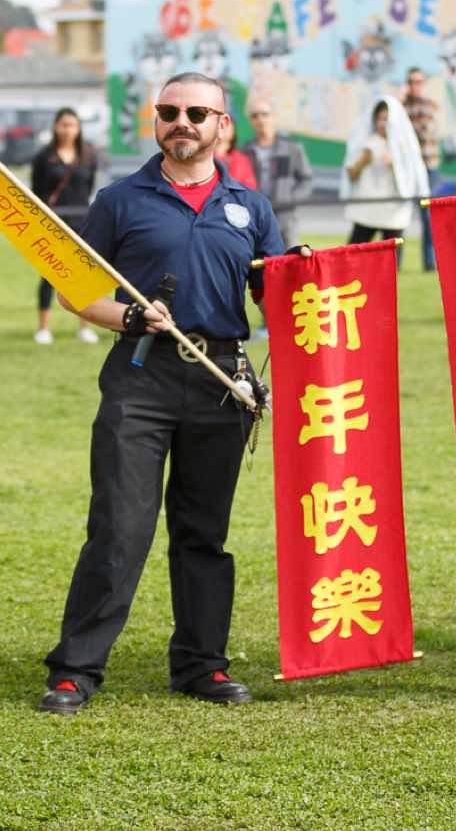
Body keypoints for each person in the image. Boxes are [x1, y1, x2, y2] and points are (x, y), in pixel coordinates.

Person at [38, 71, 285, 714]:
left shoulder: (251, 206)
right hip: (140, 377)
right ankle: (75, 670)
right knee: (119, 528)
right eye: (170, 111)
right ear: (156, 120)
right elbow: (73, 290)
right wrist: (127, 315)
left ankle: (202, 666)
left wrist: (307, 276)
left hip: (221, 379)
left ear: (222, 125)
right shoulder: (119, 200)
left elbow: (278, 296)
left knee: (203, 534)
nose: (182, 123)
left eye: (197, 113)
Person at [30, 107, 100, 345]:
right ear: (55, 126)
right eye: (64, 124)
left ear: (79, 129)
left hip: (82, 221)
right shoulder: (44, 157)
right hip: (52, 223)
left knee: (83, 275)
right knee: (50, 275)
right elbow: (36, 192)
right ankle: (43, 328)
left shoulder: (88, 156)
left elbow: (88, 188)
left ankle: (84, 326)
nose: (68, 130)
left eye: (72, 125)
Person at [343, 98, 426, 258]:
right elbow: (351, 175)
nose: (382, 123)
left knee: (391, 262)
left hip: (394, 211)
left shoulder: (405, 146)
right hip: (368, 208)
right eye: (379, 118)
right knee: (353, 255)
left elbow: (412, 178)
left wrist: (396, 165)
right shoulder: (365, 142)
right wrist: (362, 161)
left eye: (386, 119)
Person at [243, 98, 314, 248]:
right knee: (259, 258)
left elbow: (306, 179)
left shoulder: (291, 147)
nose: (260, 119)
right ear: (250, 120)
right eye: (255, 115)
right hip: (257, 217)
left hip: (285, 218)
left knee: (291, 257)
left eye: (265, 114)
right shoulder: (246, 151)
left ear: (274, 116)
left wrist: (290, 199)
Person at [403, 67, 444, 271]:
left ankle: (430, 263)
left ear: (424, 84)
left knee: (428, 216)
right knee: (400, 216)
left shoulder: (429, 106)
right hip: (407, 169)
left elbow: (423, 132)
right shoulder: (402, 107)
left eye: (418, 81)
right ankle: (395, 264)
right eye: (411, 81)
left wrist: (407, 131)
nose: (414, 85)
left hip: (428, 167)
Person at [214, 117, 258, 190]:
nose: (223, 127)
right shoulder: (203, 157)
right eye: (219, 123)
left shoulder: (242, 159)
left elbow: (249, 188)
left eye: (227, 123)